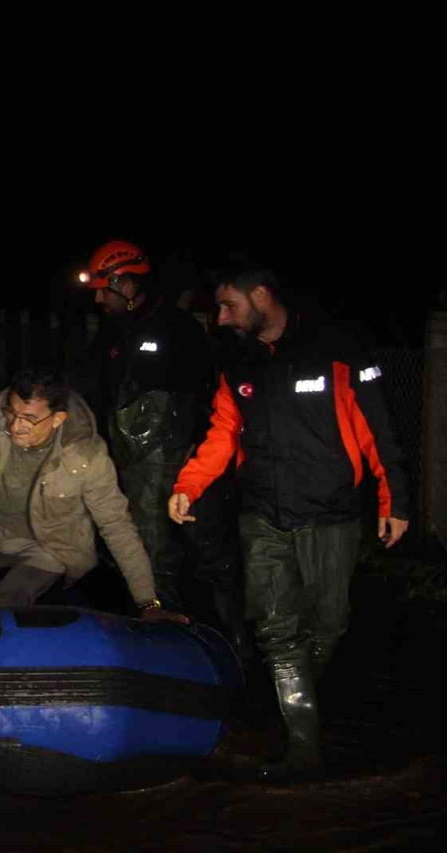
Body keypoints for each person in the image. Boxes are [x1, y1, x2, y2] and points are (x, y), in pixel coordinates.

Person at [169, 262, 409, 782]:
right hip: (263, 516)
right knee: (278, 631)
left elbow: (377, 429)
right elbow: (222, 432)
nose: (223, 316)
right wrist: (188, 485)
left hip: (332, 515)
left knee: (328, 623)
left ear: (261, 296)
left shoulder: (336, 346)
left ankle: (295, 696)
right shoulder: (237, 361)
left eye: (230, 304)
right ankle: (303, 746)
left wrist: (396, 500)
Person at [0, 367, 188, 624]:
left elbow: (117, 526)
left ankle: (7, 594)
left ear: (57, 419)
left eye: (29, 419)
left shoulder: (88, 456)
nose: (16, 426)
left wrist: (148, 603)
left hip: (51, 547)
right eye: (12, 413)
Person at [80, 240, 252, 656]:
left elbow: (207, 401)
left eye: (106, 288)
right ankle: (166, 645)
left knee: (208, 553)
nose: (100, 299)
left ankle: (237, 643)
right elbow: (99, 395)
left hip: (187, 466)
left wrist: (192, 467)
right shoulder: (110, 334)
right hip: (130, 467)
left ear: (129, 283)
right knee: (146, 551)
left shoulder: (178, 328)